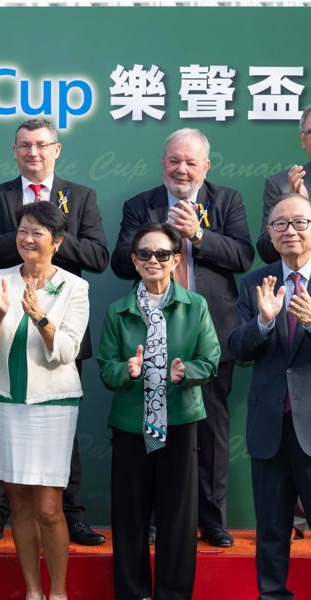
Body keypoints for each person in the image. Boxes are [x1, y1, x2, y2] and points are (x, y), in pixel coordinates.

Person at [0, 118, 108, 547]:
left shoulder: (80, 196)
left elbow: (99, 255)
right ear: (15, 151)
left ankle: (72, 513)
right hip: (6, 323)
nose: (33, 152)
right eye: (25, 145)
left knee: (62, 430)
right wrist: (25, 235)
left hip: (61, 327)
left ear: (56, 149)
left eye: (42, 145)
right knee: (1, 429)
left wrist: (51, 237)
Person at [110, 128, 253, 548]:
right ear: (163, 163)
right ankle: (156, 519)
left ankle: (212, 520)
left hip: (209, 334)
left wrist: (198, 234)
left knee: (212, 433)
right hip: (150, 333)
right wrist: (154, 246)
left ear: (206, 166)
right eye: (174, 160)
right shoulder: (142, 205)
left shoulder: (226, 201)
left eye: (191, 162)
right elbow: (120, 262)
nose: (182, 169)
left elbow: (244, 256)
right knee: (154, 428)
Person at [99, 222, 220, 600]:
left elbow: (210, 360)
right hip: (130, 426)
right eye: (145, 254)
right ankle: (132, 593)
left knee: (179, 521)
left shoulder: (195, 306)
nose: (154, 260)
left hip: (181, 423)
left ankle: (173, 594)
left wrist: (188, 372)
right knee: (129, 519)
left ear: (176, 260)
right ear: (134, 261)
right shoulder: (117, 311)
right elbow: (106, 369)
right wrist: (127, 370)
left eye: (163, 254)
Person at [0, 202, 89, 600]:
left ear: (57, 242)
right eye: (22, 231)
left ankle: (58, 593)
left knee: (48, 508)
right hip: (3, 400)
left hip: (52, 405)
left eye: (37, 233)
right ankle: (33, 591)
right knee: (18, 500)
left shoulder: (75, 287)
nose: (27, 239)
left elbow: (68, 351)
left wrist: (40, 317)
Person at [229, 193, 311, 600]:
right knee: (272, 532)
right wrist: (263, 321)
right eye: (280, 224)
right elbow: (237, 348)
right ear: (270, 234)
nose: (290, 231)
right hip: (269, 430)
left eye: (300, 222)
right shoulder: (254, 283)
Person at [257, 106, 311, 263]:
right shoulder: (281, 184)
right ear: (302, 140)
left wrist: (306, 206)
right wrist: (295, 204)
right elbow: (267, 253)